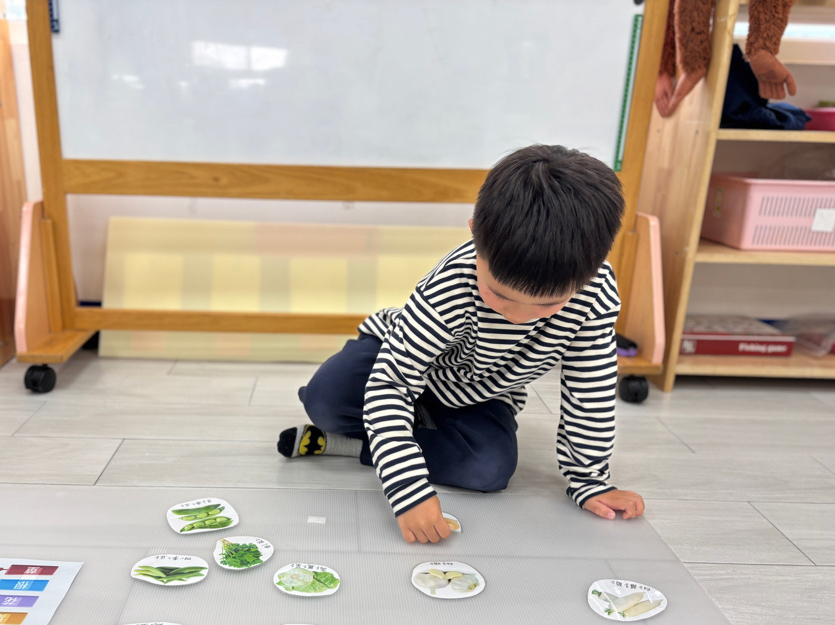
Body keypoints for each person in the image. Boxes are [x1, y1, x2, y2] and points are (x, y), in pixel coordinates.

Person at [277, 145, 646, 543]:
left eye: (548, 306)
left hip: (480, 393)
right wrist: (409, 490)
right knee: (325, 400)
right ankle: (389, 434)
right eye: (499, 295)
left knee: (489, 471)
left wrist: (590, 480)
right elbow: (391, 384)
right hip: (402, 361)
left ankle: (354, 447)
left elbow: (590, 392)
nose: (518, 317)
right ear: (474, 232)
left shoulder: (595, 295)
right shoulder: (450, 285)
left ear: (592, 270)